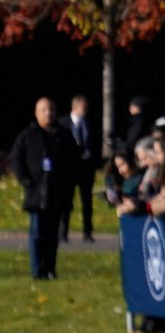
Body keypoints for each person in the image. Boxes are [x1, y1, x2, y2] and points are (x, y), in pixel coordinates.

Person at [9, 97, 80, 280]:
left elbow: (74, 161)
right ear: (36, 112)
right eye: (44, 110)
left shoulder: (64, 135)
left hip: (58, 192)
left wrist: (69, 182)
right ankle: (37, 270)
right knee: (37, 233)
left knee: (53, 234)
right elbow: (15, 159)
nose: (48, 113)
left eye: (51, 109)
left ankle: (50, 269)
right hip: (36, 192)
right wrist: (25, 179)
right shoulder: (28, 135)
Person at [64, 94, 99, 241]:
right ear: (75, 107)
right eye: (83, 107)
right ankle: (63, 232)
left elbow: (94, 144)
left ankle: (87, 232)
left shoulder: (89, 124)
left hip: (86, 169)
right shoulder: (64, 124)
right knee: (66, 201)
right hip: (69, 169)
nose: (85, 110)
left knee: (87, 202)